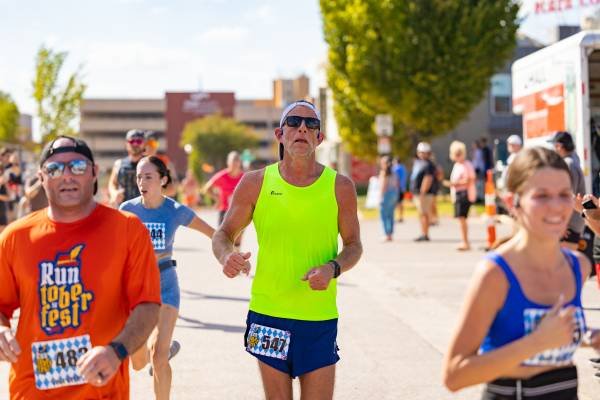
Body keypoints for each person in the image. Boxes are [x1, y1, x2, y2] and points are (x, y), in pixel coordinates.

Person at [212, 100, 362, 400]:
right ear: (280, 134)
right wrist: (227, 256)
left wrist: (332, 268)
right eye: (293, 122)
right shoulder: (255, 182)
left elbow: (354, 245)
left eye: (311, 124)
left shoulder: (340, 186)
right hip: (268, 314)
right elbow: (223, 234)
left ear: (319, 137)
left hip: (318, 317)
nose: (302, 128)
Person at [0, 136, 161, 399]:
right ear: (41, 177)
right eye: (54, 169)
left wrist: (116, 351)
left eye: (77, 166)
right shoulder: (15, 237)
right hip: (31, 390)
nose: (66, 176)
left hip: (103, 390)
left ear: (94, 172)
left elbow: (148, 304)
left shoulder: (127, 230)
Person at [443, 146, 599, 398]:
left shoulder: (578, 267)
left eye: (564, 194)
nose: (556, 207)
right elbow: (454, 374)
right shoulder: (495, 273)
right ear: (512, 202)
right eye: (541, 196)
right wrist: (537, 342)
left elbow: (551, 332)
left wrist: (588, 336)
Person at [120, 156, 214, 400]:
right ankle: (165, 348)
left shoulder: (175, 210)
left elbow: (213, 233)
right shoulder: (127, 210)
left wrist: (231, 253)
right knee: (138, 362)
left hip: (166, 284)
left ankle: (163, 353)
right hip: (137, 289)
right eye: (139, 177)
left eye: (148, 177)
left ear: (162, 180)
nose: (142, 182)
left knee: (158, 356)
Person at [549, 131, 586, 250]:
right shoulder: (573, 159)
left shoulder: (568, 164)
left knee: (564, 259)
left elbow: (569, 198)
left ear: (559, 146)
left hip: (570, 224)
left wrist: (562, 224)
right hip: (573, 221)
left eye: (554, 146)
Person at [445, 141, 476, 251]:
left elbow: (469, 180)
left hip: (464, 194)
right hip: (458, 194)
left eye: (459, 153)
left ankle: (465, 242)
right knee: (460, 219)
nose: (458, 156)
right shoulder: (457, 165)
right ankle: (464, 240)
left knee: (462, 218)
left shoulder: (467, 165)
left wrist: (454, 184)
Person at [203, 151, 244, 226]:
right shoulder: (222, 176)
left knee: (239, 233)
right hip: (224, 211)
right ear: (228, 163)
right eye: (233, 162)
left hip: (238, 211)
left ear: (240, 163)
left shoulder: (244, 177)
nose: (235, 165)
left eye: (237, 161)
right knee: (222, 233)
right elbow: (206, 188)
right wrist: (217, 199)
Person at [108, 129, 146, 207]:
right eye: (132, 141)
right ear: (126, 144)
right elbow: (112, 183)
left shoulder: (150, 164)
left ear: (144, 144)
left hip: (144, 209)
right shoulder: (119, 164)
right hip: (123, 209)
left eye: (138, 141)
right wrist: (114, 193)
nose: (135, 144)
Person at [410, 142, 436, 242]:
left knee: (424, 213)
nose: (422, 154)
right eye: (421, 152)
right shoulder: (418, 162)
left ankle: (425, 234)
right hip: (417, 193)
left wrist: (422, 192)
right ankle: (423, 233)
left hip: (424, 194)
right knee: (421, 214)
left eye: (425, 152)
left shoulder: (429, 164)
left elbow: (428, 179)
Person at [144, 131, 179, 198]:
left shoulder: (164, 161)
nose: (151, 147)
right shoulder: (139, 161)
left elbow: (174, 185)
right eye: (149, 143)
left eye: (153, 144)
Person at [379, 155, 399, 241]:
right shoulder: (394, 172)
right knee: (391, 215)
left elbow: (383, 186)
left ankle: (387, 234)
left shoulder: (384, 172)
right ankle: (390, 234)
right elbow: (397, 184)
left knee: (384, 215)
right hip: (394, 193)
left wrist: (380, 196)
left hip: (386, 194)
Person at [392, 157, 407, 222]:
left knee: (396, 203)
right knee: (400, 202)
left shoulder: (396, 168)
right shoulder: (403, 168)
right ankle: (401, 216)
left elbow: (396, 179)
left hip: (397, 188)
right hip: (402, 188)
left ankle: (398, 217)